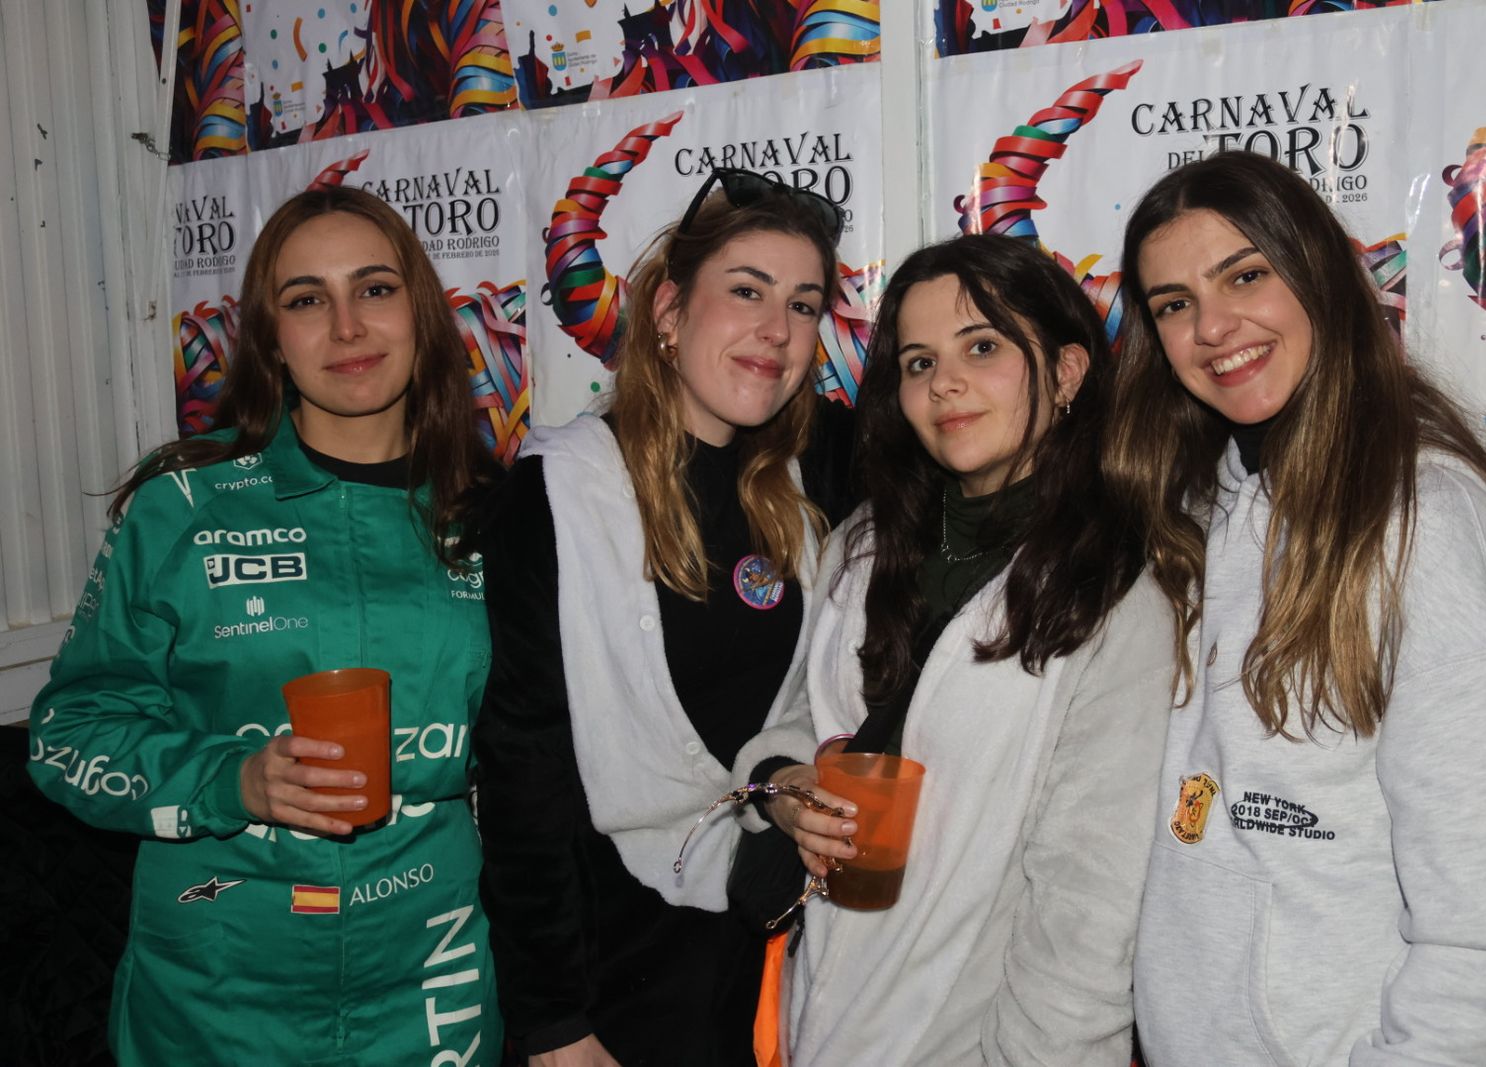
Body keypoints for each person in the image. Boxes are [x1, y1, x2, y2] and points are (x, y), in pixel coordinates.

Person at [1104, 150, 1486, 1065]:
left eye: (1245, 275)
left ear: (1321, 276)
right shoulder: (1198, 514)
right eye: (1174, 304)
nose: (1214, 327)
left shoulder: (1423, 523)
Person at [26, 186, 505, 1064]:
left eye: (374, 288)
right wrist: (229, 780)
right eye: (306, 300)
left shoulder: (498, 517)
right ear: (271, 340)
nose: (347, 327)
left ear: (423, 315)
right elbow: (68, 736)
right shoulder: (183, 511)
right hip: (217, 992)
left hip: (433, 980)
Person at [472, 168, 850, 1066]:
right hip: (617, 964)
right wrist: (555, 1019)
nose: (777, 329)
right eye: (747, 292)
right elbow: (524, 774)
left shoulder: (809, 476)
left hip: (775, 944)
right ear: (670, 313)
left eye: (803, 305)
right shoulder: (559, 490)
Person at [766, 233, 1172, 1065]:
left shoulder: (1113, 590)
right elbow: (795, 721)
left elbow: (1084, 912)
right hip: (821, 1017)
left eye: (981, 347)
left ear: (1066, 372)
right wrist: (784, 786)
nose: (943, 382)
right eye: (917, 362)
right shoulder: (863, 545)